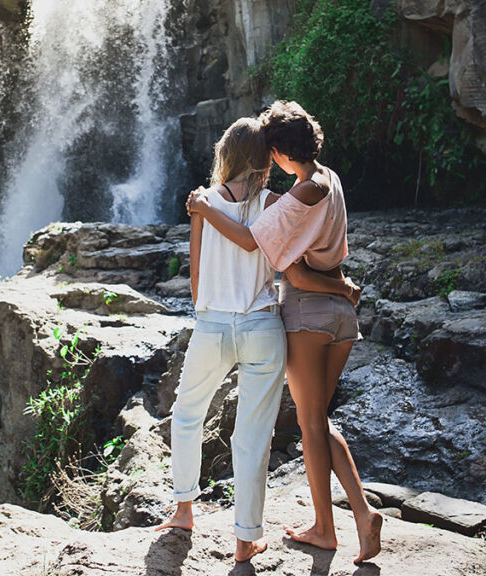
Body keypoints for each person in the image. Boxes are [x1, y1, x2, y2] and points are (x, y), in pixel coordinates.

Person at [155, 115, 359, 563]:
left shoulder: (202, 201)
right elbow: (282, 259)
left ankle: (184, 510)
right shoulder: (277, 203)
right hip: (263, 325)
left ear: (225, 155)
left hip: (213, 324)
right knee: (253, 435)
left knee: (187, 414)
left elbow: (195, 275)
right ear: (266, 159)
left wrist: (209, 306)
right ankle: (246, 540)